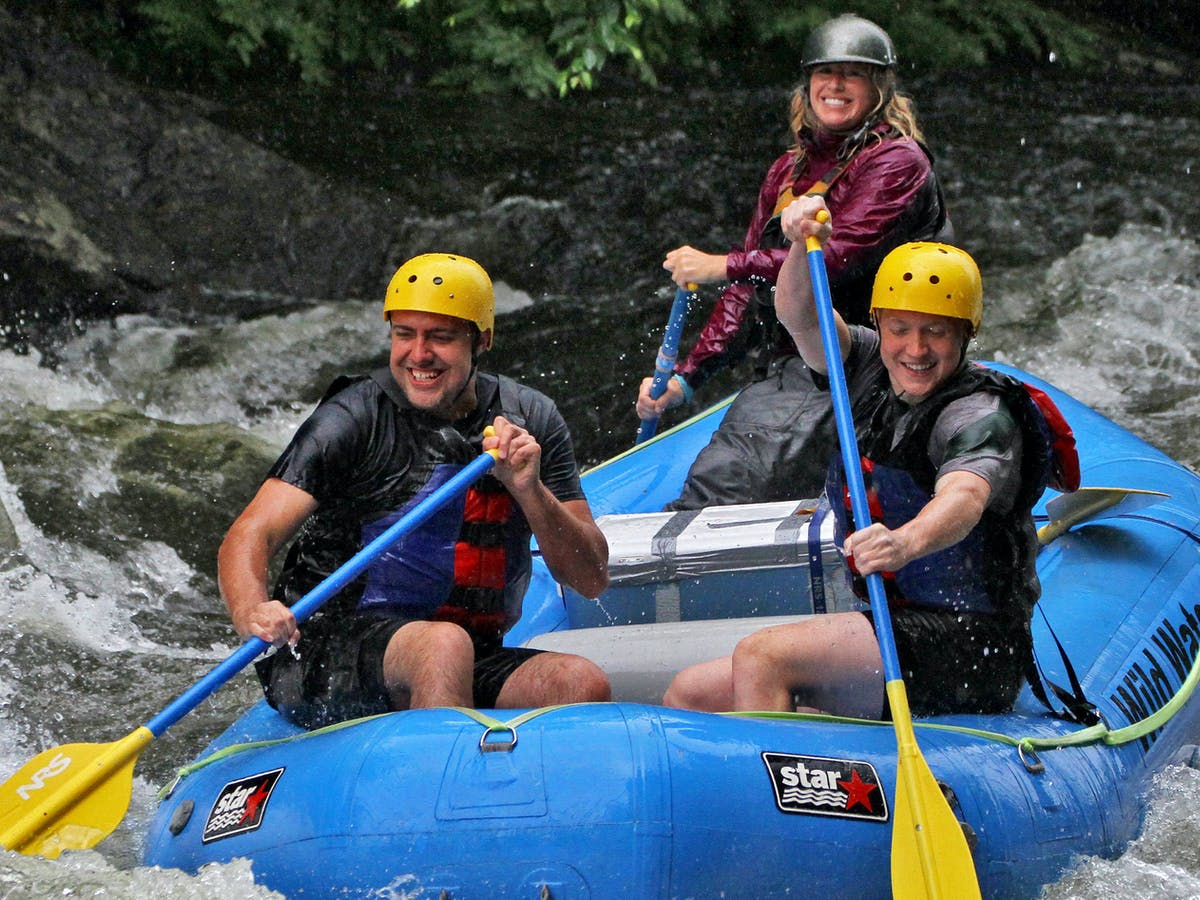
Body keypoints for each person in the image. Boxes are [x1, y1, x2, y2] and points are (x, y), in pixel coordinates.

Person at [663, 198, 1060, 718]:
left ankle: (782, 786)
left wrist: (904, 542)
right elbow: (800, 316)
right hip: (886, 623)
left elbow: (964, 496)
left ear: (966, 334)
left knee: (763, 657)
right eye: (900, 328)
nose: (915, 349)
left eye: (936, 331)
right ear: (879, 324)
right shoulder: (870, 365)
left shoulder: (979, 412)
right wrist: (802, 248)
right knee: (689, 692)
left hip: (969, 644)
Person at [219, 252, 612, 729]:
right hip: (328, 654)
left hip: (467, 648)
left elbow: (590, 578)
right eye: (404, 334)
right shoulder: (353, 418)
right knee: (443, 645)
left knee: (579, 682)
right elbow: (250, 533)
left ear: (481, 340)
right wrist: (251, 609)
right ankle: (438, 783)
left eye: (440, 337)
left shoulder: (531, 418)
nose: (418, 354)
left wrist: (530, 491)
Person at [636, 13, 951, 509]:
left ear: (880, 89)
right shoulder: (788, 169)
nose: (836, 84)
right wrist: (687, 376)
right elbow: (745, 297)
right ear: (807, 86)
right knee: (741, 456)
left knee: (728, 477)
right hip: (796, 361)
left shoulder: (898, 162)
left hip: (865, 357)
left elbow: (835, 255)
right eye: (825, 73)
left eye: (853, 74)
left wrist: (725, 265)